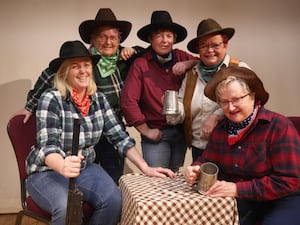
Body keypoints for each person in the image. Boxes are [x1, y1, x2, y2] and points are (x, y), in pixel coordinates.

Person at [25, 40, 175, 225]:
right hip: (47, 172)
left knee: (113, 201)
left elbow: (119, 137)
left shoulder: (99, 100)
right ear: (64, 72)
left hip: (85, 168)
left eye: (86, 65)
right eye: (75, 66)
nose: (83, 71)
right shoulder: (51, 98)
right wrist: (62, 165)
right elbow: (48, 147)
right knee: (67, 207)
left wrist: (145, 167)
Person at [14, 8, 145, 184]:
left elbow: (152, 54)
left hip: (110, 129)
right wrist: (30, 105)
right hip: (82, 130)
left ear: (119, 40)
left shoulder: (124, 59)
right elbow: (49, 75)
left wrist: (135, 50)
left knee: (112, 183)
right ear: (92, 38)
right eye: (102, 37)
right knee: (81, 183)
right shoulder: (82, 59)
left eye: (113, 37)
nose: (108, 42)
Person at [184, 66, 300, 225]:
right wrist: (196, 168)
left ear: (252, 96)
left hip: (283, 199)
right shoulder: (221, 130)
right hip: (243, 199)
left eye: (236, 99)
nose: (230, 107)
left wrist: (238, 189)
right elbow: (207, 159)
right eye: (224, 102)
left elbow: (289, 181)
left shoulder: (279, 127)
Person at [120, 10, 197, 171]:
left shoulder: (181, 56)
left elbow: (203, 62)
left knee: (174, 178)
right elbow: (128, 101)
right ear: (150, 39)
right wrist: (146, 130)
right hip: (157, 135)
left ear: (174, 39)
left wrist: (189, 64)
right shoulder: (141, 64)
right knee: (157, 182)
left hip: (181, 133)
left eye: (169, 36)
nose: (164, 40)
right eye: (159, 35)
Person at [171, 18, 250, 161]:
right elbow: (182, 105)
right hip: (198, 147)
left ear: (225, 44)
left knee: (227, 184)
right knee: (201, 184)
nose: (209, 50)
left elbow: (249, 102)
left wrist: (216, 116)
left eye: (215, 45)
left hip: (231, 146)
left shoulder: (240, 69)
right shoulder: (191, 74)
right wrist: (172, 108)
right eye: (204, 46)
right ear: (198, 49)